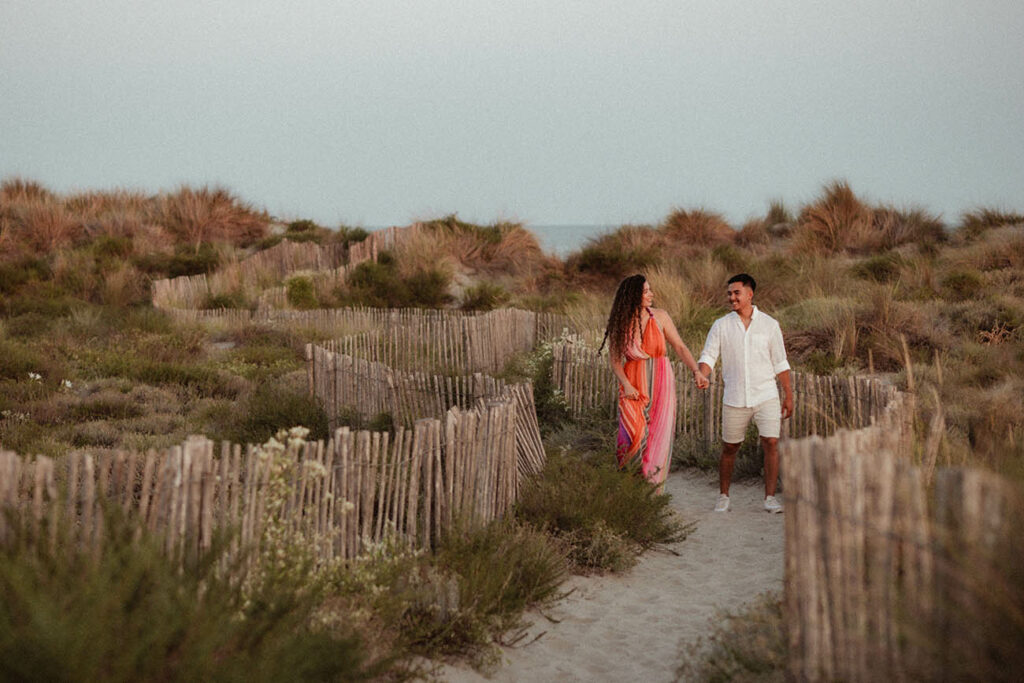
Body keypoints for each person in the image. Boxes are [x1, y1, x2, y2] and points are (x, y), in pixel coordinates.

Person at [601, 274, 709, 491]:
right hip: (633, 384)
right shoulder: (621, 322)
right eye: (646, 291)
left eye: (650, 290)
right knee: (630, 434)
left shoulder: (660, 316)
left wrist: (696, 371)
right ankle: (628, 485)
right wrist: (627, 384)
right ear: (633, 295)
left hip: (661, 380)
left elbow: (679, 347)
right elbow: (614, 360)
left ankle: (651, 488)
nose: (651, 294)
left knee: (657, 433)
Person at [696, 273, 793, 514]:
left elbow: (780, 362)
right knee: (730, 447)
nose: (731, 298)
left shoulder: (770, 325)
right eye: (729, 293)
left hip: (766, 394)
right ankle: (723, 496)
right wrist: (702, 374)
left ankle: (770, 498)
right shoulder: (721, 325)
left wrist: (788, 395)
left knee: (771, 442)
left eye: (736, 293)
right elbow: (709, 356)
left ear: (750, 294)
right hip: (735, 397)